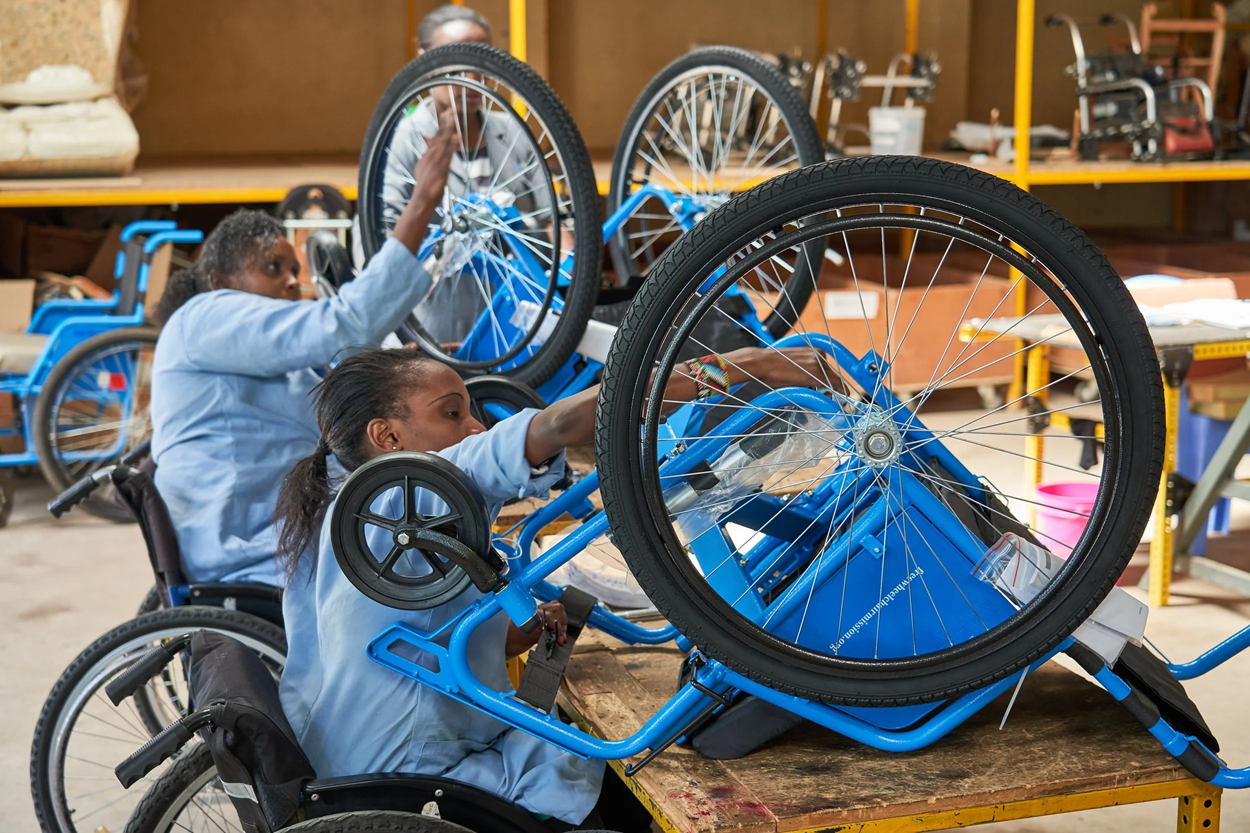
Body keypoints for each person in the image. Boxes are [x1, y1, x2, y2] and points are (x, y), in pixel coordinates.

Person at [273, 344, 835, 829]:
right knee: (634, 767)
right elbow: (566, 423)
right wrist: (748, 365)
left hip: (348, 764)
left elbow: (393, 636)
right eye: (451, 414)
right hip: (419, 778)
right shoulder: (406, 493)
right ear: (387, 435)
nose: (475, 429)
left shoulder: (334, 515)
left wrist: (506, 637)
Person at [148, 104, 463, 585]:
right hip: (251, 550)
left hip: (282, 532)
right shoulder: (205, 317)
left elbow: (332, 375)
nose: (292, 283)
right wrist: (422, 200)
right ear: (219, 280)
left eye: (295, 272)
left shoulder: (249, 347)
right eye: (272, 269)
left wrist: (388, 368)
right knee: (434, 556)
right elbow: (343, 324)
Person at [378, 4, 557, 345]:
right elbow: (384, 235)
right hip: (439, 319)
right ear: (425, 61)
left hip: (521, 311)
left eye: (482, 65)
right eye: (460, 65)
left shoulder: (514, 131)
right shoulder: (402, 138)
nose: (473, 80)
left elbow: (554, 219)